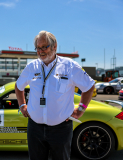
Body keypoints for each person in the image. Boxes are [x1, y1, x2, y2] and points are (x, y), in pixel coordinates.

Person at [15, 30, 95, 160]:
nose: (41, 51)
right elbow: (18, 87)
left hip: (61, 129)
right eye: (38, 48)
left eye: (44, 47)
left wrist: (81, 109)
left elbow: (89, 86)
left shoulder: (69, 66)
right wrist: (22, 105)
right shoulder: (31, 67)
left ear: (55, 46)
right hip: (35, 128)